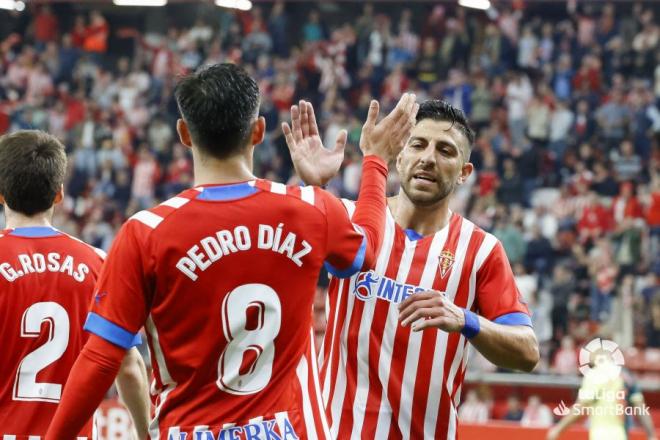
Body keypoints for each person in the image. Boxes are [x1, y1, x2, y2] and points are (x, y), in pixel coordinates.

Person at [46, 64, 419, 439]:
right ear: (258, 131)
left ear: (184, 134)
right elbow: (366, 249)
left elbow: (101, 357)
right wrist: (375, 161)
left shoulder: (145, 232)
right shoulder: (312, 208)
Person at [286, 98, 539, 439]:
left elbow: (527, 352)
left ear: (464, 173)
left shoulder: (481, 250)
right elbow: (270, 252)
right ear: (399, 156)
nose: (428, 158)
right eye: (417, 144)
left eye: (446, 151)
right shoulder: (348, 219)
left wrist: (464, 318)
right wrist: (315, 188)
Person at [0, 130, 150, 439]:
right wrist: (146, 433)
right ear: (59, 194)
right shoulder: (99, 263)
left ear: (0, 194)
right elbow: (129, 367)